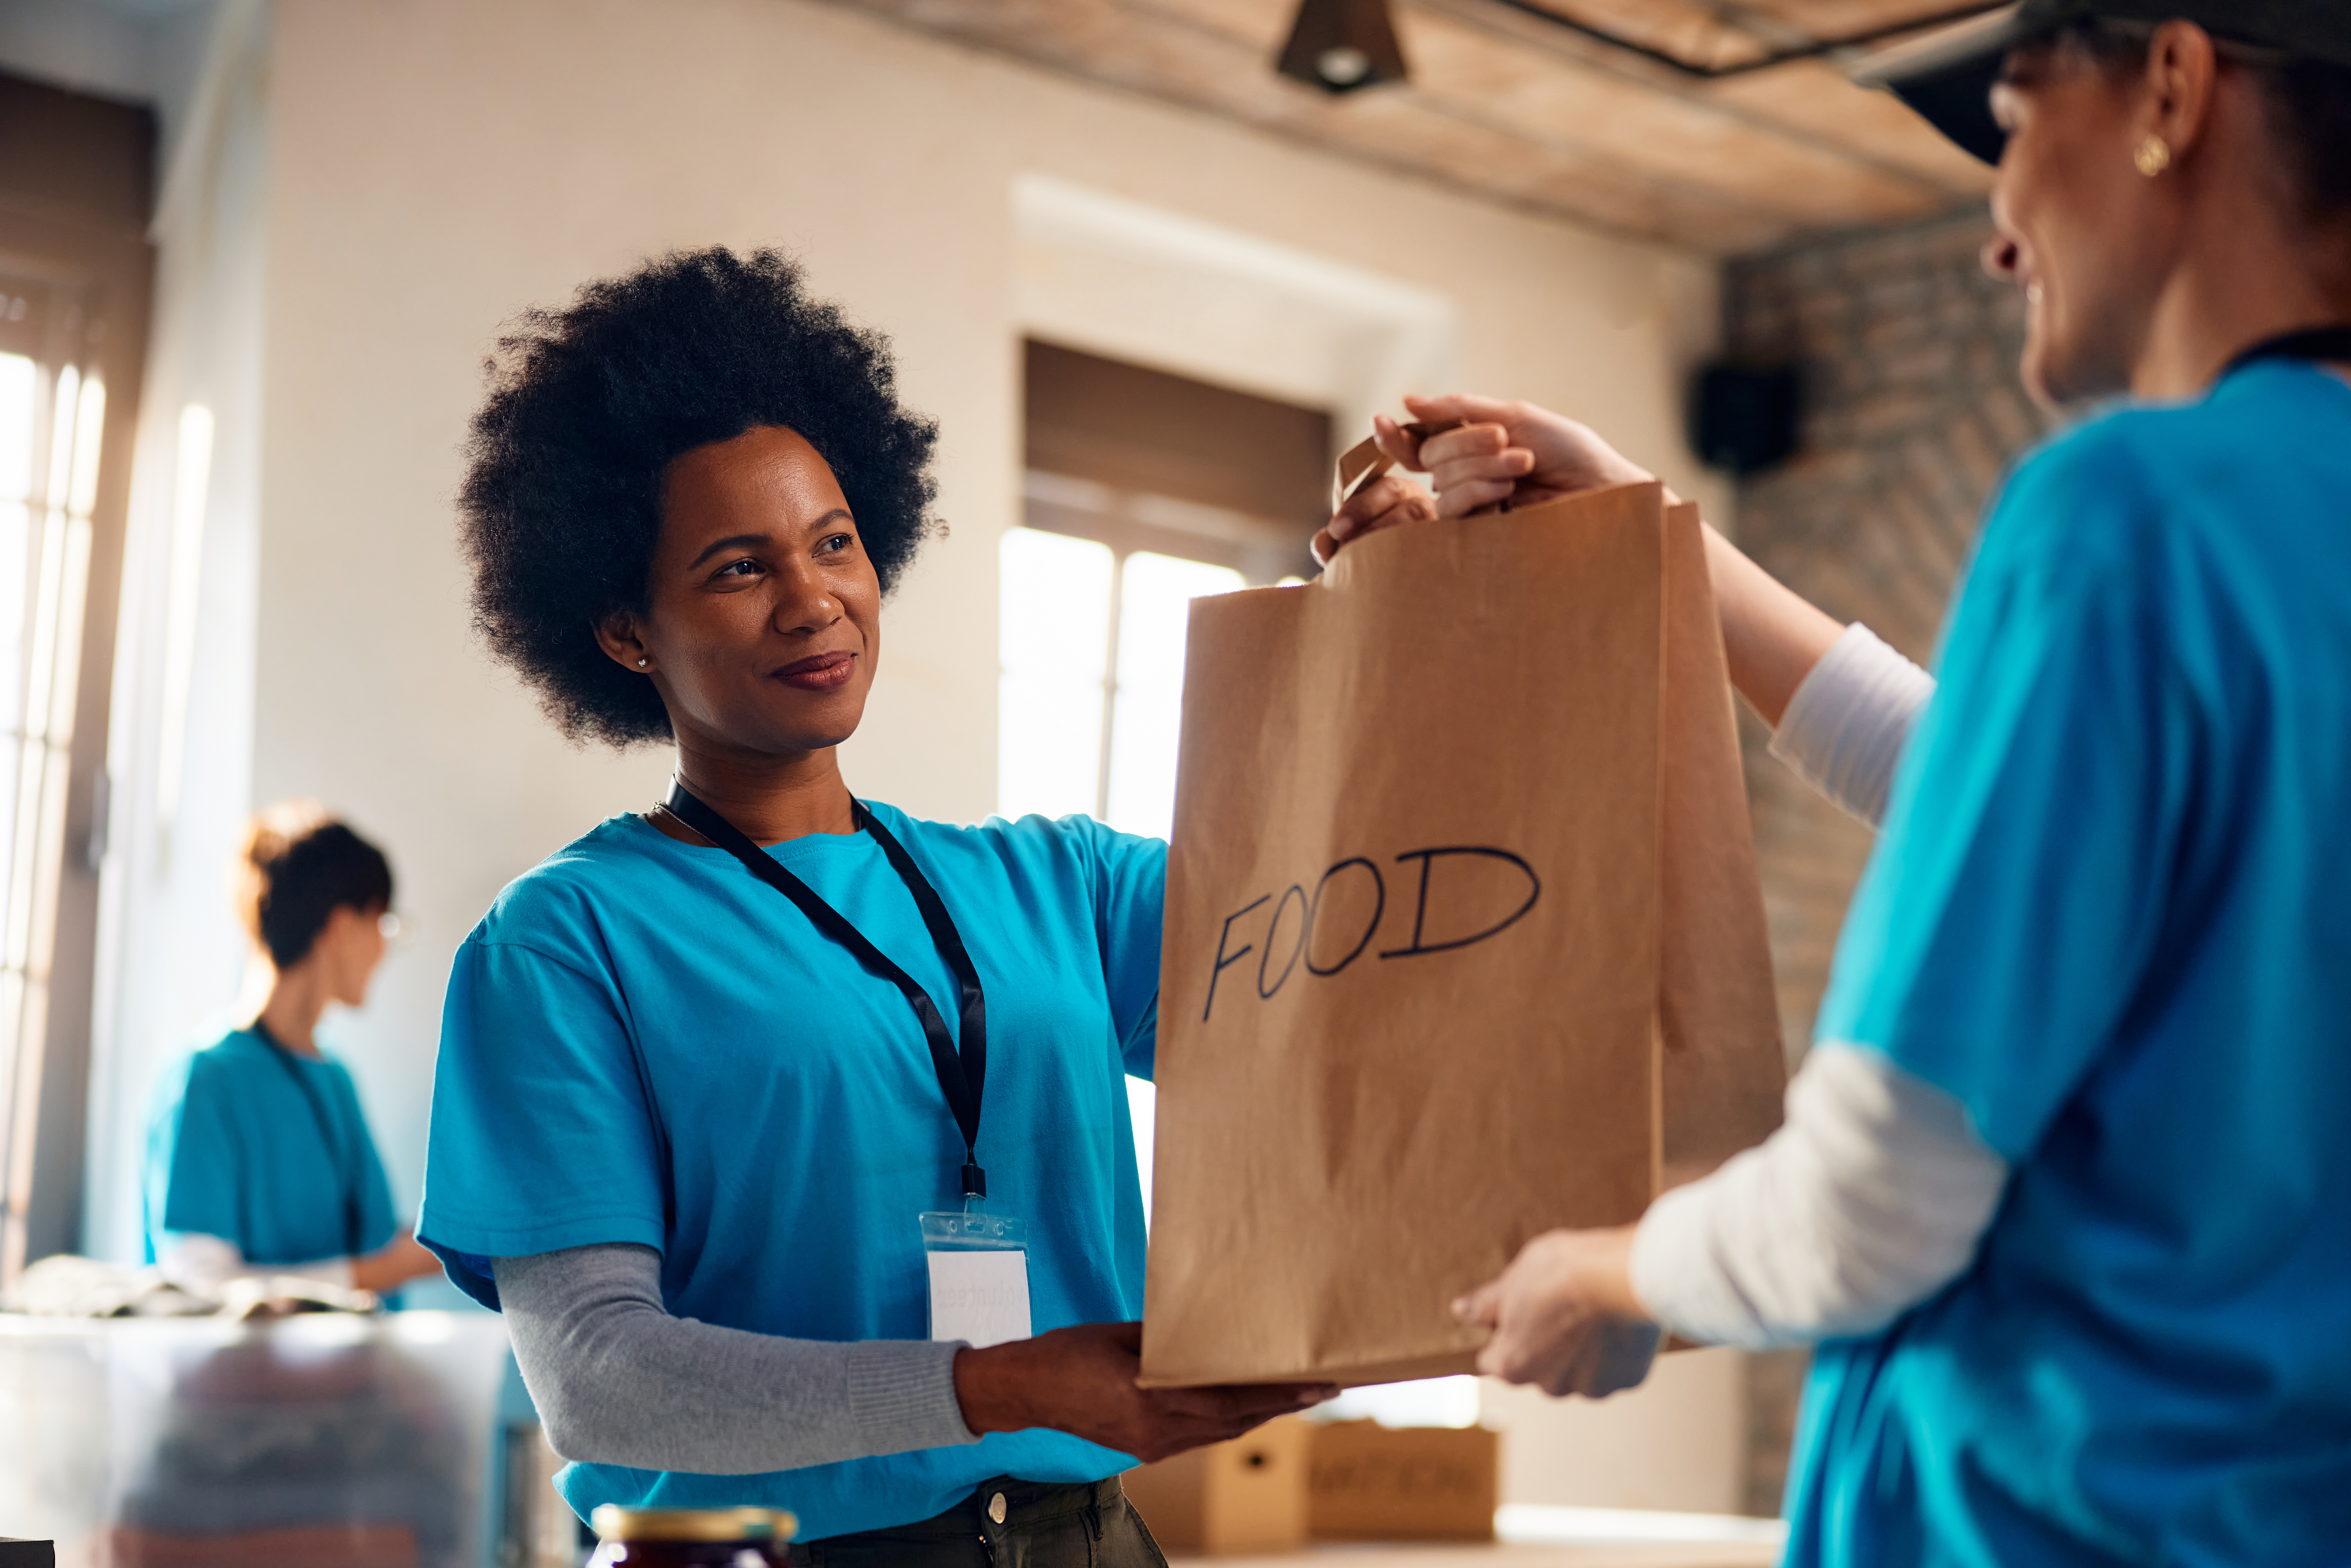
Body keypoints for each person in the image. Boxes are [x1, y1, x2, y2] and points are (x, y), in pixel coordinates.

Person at [1323, 4, 2351, 1563]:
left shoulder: (2128, 516)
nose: (2002, 233)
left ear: (2172, 85)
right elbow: (2019, 801)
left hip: (2062, 1515)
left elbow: (1878, 1194)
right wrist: (1655, 537)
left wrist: (1615, 1272)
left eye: (2011, 124)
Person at [419, 249, 1330, 1564]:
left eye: (834, 542)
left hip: (1088, 1540)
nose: (814, 600)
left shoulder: (1054, 883)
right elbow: (598, 1379)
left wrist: (1409, 598)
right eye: (740, 568)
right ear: (624, 629)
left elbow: (1357, 953)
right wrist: (994, 1385)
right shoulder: (563, 944)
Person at [144, 802, 443, 1297]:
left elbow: (373, 1241)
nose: (384, 949)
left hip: (359, 1374)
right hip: (245, 1378)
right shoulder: (204, 1080)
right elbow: (201, 1285)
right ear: (343, 926)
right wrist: (389, 1271)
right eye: (382, 924)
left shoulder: (334, 1079)